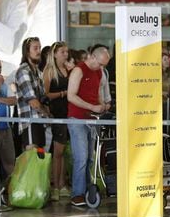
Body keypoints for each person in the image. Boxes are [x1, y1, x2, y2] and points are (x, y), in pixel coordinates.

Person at [67, 46, 110, 206]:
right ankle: (77, 194)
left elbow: (97, 91)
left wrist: (101, 104)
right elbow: (71, 96)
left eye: (104, 65)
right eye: (100, 64)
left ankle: (86, 189)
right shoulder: (78, 71)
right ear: (92, 57)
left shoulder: (98, 72)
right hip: (77, 118)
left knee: (90, 158)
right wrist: (92, 107)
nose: (101, 68)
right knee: (81, 157)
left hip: (92, 119)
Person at [43, 42, 70, 201]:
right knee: (58, 151)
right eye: (62, 52)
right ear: (54, 54)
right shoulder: (49, 71)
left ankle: (62, 183)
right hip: (57, 112)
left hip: (69, 113)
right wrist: (62, 93)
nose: (65, 54)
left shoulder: (67, 69)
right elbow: (46, 94)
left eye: (66, 52)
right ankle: (55, 186)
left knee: (64, 150)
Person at [15, 37, 49, 149]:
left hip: (39, 120)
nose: (39, 51)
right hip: (30, 120)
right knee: (32, 158)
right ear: (27, 51)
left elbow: (43, 97)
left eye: (39, 47)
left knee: (40, 158)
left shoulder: (38, 72)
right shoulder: (24, 71)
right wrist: (45, 112)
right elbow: (33, 102)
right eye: (35, 48)